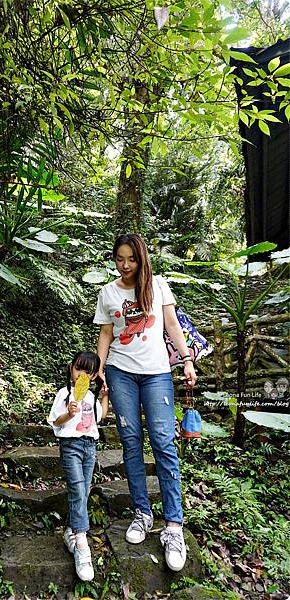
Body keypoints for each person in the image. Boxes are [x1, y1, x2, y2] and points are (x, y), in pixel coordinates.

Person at [94, 233, 197, 572]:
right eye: (119, 259)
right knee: (132, 443)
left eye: (131, 259)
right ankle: (142, 513)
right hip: (120, 372)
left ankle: (173, 526)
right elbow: (107, 333)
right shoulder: (108, 292)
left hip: (156, 374)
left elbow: (171, 325)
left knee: (165, 444)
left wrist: (186, 359)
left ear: (141, 260)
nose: (124, 266)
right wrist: (100, 370)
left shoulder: (159, 286)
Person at [48, 351, 109, 581]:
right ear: (71, 368)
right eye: (78, 369)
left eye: (88, 372)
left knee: (83, 492)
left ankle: (71, 532)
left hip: (89, 447)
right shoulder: (65, 394)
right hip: (70, 446)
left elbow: (100, 417)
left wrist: (104, 397)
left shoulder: (91, 398)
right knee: (77, 489)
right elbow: (55, 421)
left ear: (93, 376)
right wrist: (68, 412)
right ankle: (82, 545)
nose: (81, 374)